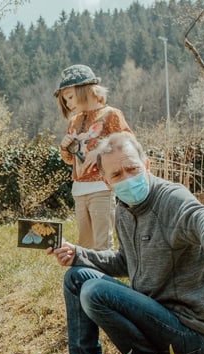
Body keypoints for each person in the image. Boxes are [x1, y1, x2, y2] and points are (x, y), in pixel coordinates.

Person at [49, 132, 204, 354]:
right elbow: (126, 262)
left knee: (94, 292)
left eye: (132, 169)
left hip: (190, 333)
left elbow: (200, 214)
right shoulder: (124, 211)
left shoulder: (170, 198)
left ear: (146, 165)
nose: (127, 178)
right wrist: (79, 255)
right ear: (106, 182)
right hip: (155, 316)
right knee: (76, 277)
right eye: (117, 175)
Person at [54, 64, 132, 250]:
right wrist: (65, 147)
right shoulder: (75, 120)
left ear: (86, 90)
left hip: (102, 187)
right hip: (79, 189)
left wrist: (100, 151)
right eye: (65, 100)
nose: (68, 104)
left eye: (70, 97)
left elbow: (127, 142)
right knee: (85, 243)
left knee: (101, 242)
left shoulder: (111, 114)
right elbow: (69, 159)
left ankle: (103, 277)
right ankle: (87, 277)